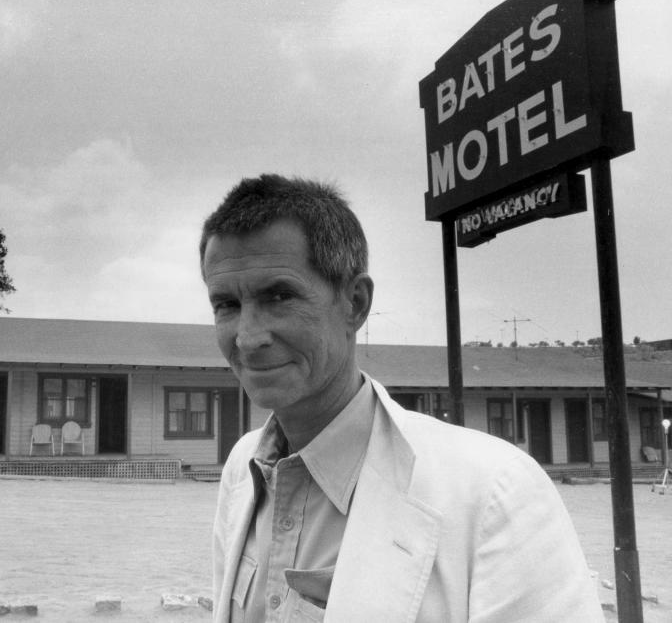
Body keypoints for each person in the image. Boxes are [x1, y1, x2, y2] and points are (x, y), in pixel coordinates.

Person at [201, 174, 603, 622]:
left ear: (354, 303)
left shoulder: (493, 493)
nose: (248, 337)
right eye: (226, 305)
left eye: (279, 296)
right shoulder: (244, 468)